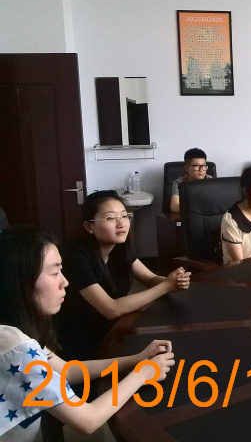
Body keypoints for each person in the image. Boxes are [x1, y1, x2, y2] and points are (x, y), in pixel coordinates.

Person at [0, 225, 175, 440]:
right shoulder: (15, 348)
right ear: (20, 281)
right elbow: (88, 419)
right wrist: (144, 374)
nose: (65, 282)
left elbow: (67, 371)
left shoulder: (14, 331)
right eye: (54, 273)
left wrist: (136, 360)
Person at [57, 191, 190, 362]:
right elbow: (111, 309)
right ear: (89, 227)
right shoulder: (75, 257)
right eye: (110, 218)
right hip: (81, 344)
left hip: (113, 329)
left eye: (124, 216)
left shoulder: (119, 248)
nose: (121, 224)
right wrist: (166, 286)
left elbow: (149, 278)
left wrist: (174, 281)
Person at [169, 148, 213, 213]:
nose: (201, 170)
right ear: (187, 168)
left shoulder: (210, 180)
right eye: (197, 166)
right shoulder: (179, 183)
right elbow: (174, 207)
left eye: (204, 166)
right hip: (190, 216)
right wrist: (198, 209)